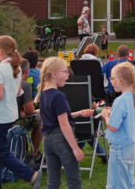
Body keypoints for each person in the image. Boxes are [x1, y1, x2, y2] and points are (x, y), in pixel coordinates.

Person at [39, 57, 94, 189]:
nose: (68, 75)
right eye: (65, 72)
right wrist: (75, 148)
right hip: (62, 140)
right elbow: (64, 125)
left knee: (53, 180)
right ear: (54, 74)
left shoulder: (43, 94)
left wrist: (78, 113)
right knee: (73, 180)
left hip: (47, 141)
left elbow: (55, 117)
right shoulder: (59, 96)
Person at [0, 36, 42, 189]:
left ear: (0, 51)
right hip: (10, 115)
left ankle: (31, 175)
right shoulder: (16, 68)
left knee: (1, 152)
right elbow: (17, 92)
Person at [101, 63, 135, 189]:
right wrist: (113, 112)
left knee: (117, 184)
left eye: (112, 78)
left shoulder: (120, 100)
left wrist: (106, 116)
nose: (111, 82)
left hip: (120, 147)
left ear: (121, 81)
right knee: (130, 180)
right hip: (131, 144)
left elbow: (113, 126)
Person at [14, 59, 43, 158]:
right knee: (41, 119)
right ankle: (34, 154)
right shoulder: (24, 84)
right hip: (15, 121)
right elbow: (30, 111)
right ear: (27, 71)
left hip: (0, 119)